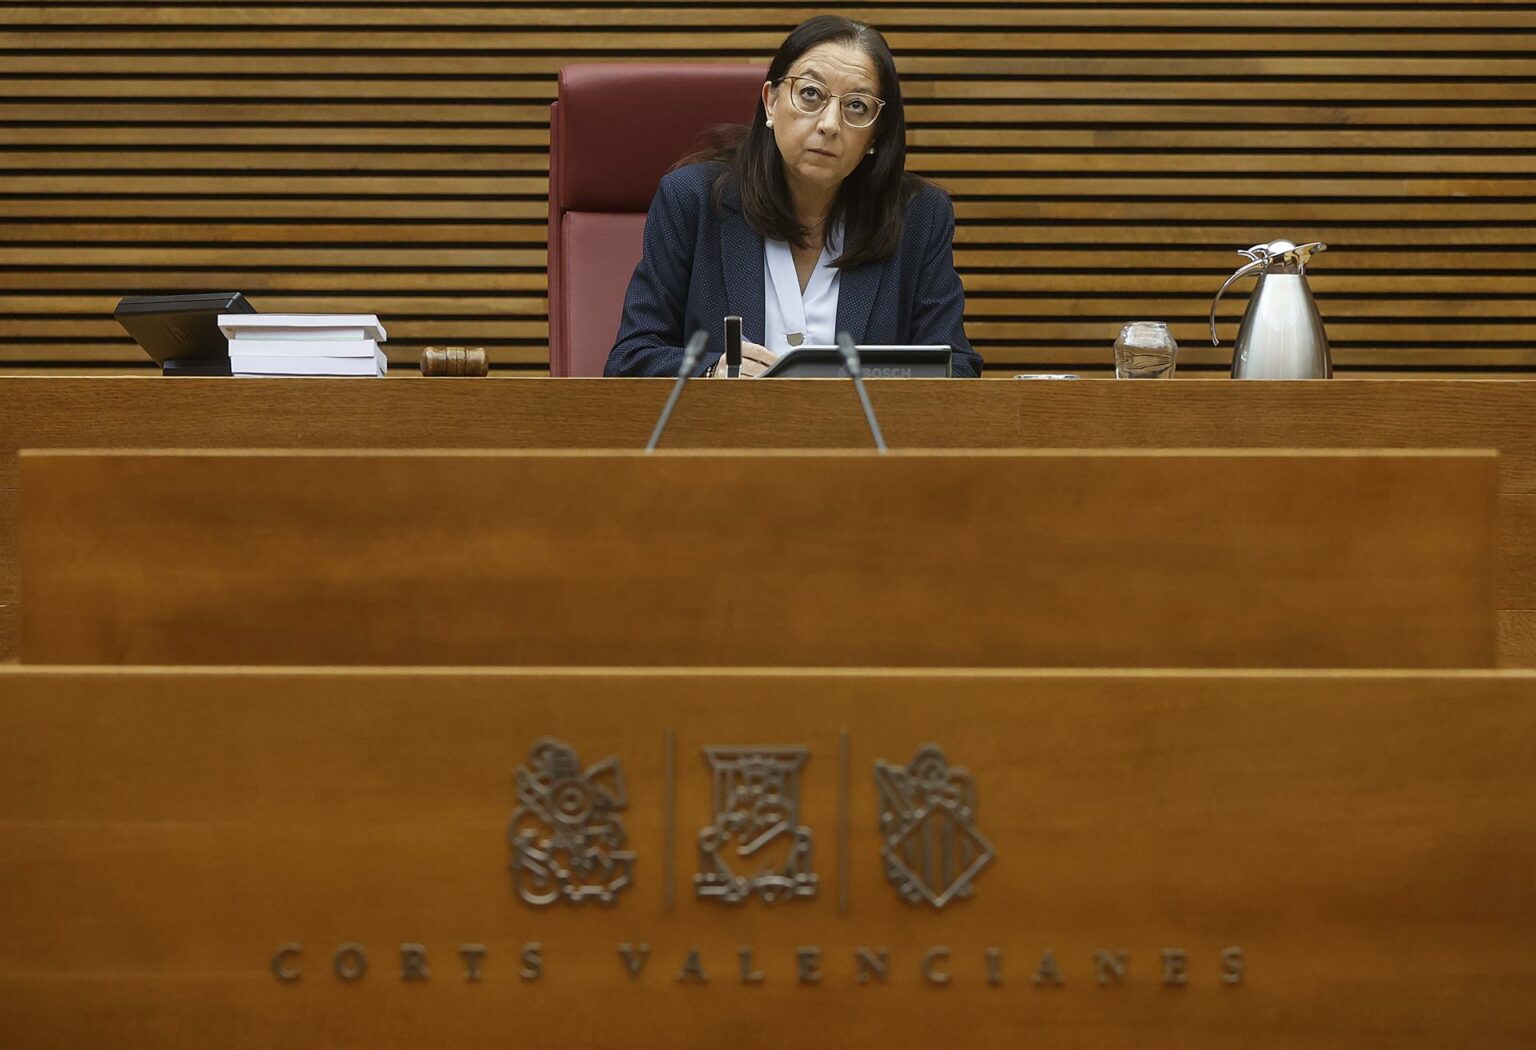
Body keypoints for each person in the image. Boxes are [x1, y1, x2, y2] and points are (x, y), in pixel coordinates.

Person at [604, 15, 983, 379]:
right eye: (810, 94)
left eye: (856, 106)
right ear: (771, 102)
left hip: (863, 426)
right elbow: (631, 359)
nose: (829, 124)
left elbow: (956, 369)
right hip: (726, 425)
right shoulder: (694, 200)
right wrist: (711, 373)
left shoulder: (917, 217)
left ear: (876, 133)